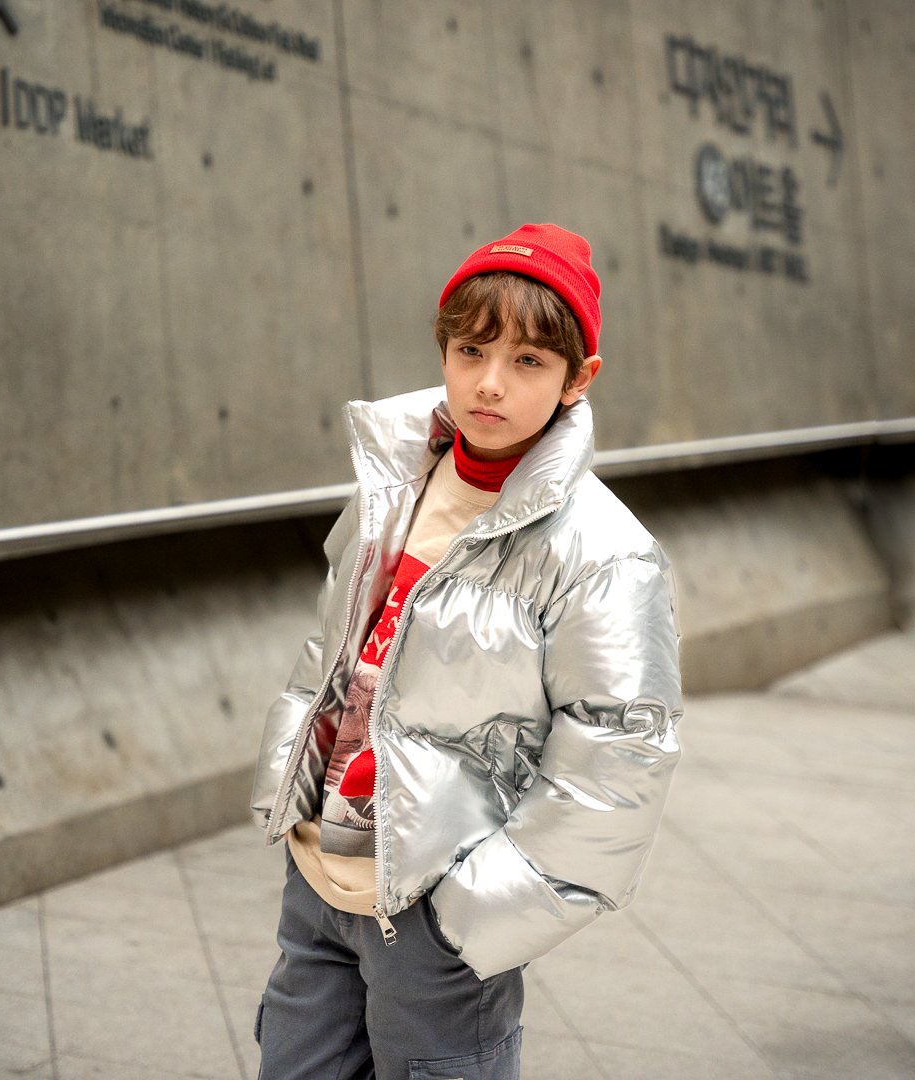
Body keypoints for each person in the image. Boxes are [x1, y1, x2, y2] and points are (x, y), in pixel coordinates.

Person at [250, 223, 683, 1079]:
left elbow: (622, 754)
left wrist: (476, 915)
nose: (490, 383)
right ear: (443, 348)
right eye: (471, 349)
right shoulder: (395, 480)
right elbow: (331, 649)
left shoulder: (601, 551)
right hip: (321, 872)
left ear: (577, 379)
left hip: (433, 911)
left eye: (528, 361)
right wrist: (288, 793)